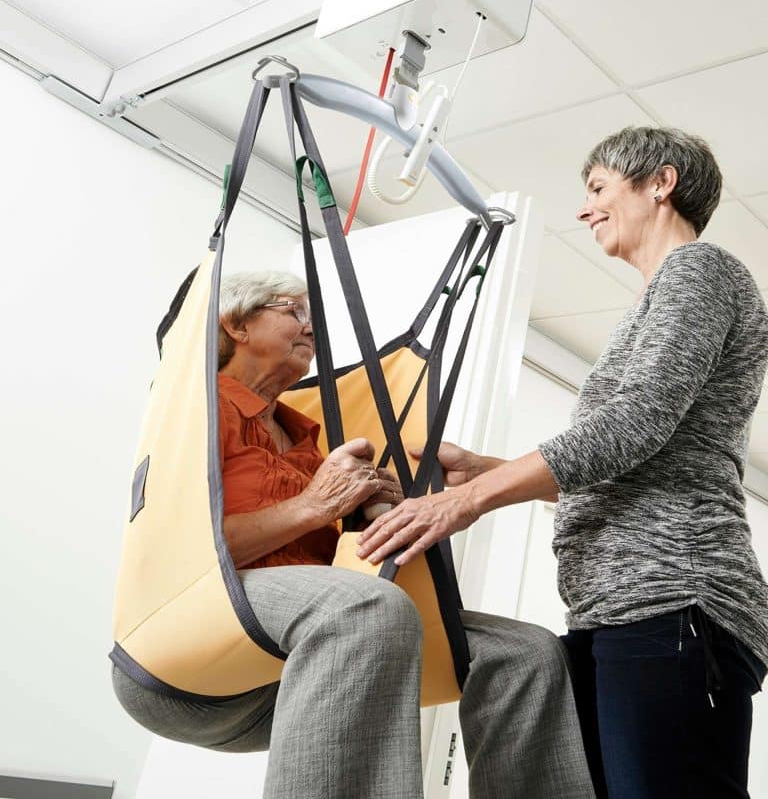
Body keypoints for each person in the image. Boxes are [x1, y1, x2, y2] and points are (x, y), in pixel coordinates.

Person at [359, 126, 768, 799]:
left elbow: (633, 425)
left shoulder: (701, 270)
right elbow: (639, 460)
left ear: (660, 183)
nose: (584, 209)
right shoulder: (658, 298)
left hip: (674, 597)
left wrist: (468, 500)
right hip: (615, 607)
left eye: (599, 188)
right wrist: (484, 469)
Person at [112, 271, 595, 799]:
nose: (309, 328)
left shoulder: (307, 435)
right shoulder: (192, 413)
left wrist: (376, 512)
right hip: (188, 643)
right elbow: (187, 552)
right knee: (366, 606)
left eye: (312, 319)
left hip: (290, 667)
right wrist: (313, 506)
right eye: (292, 311)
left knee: (525, 652)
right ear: (236, 324)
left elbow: (331, 551)